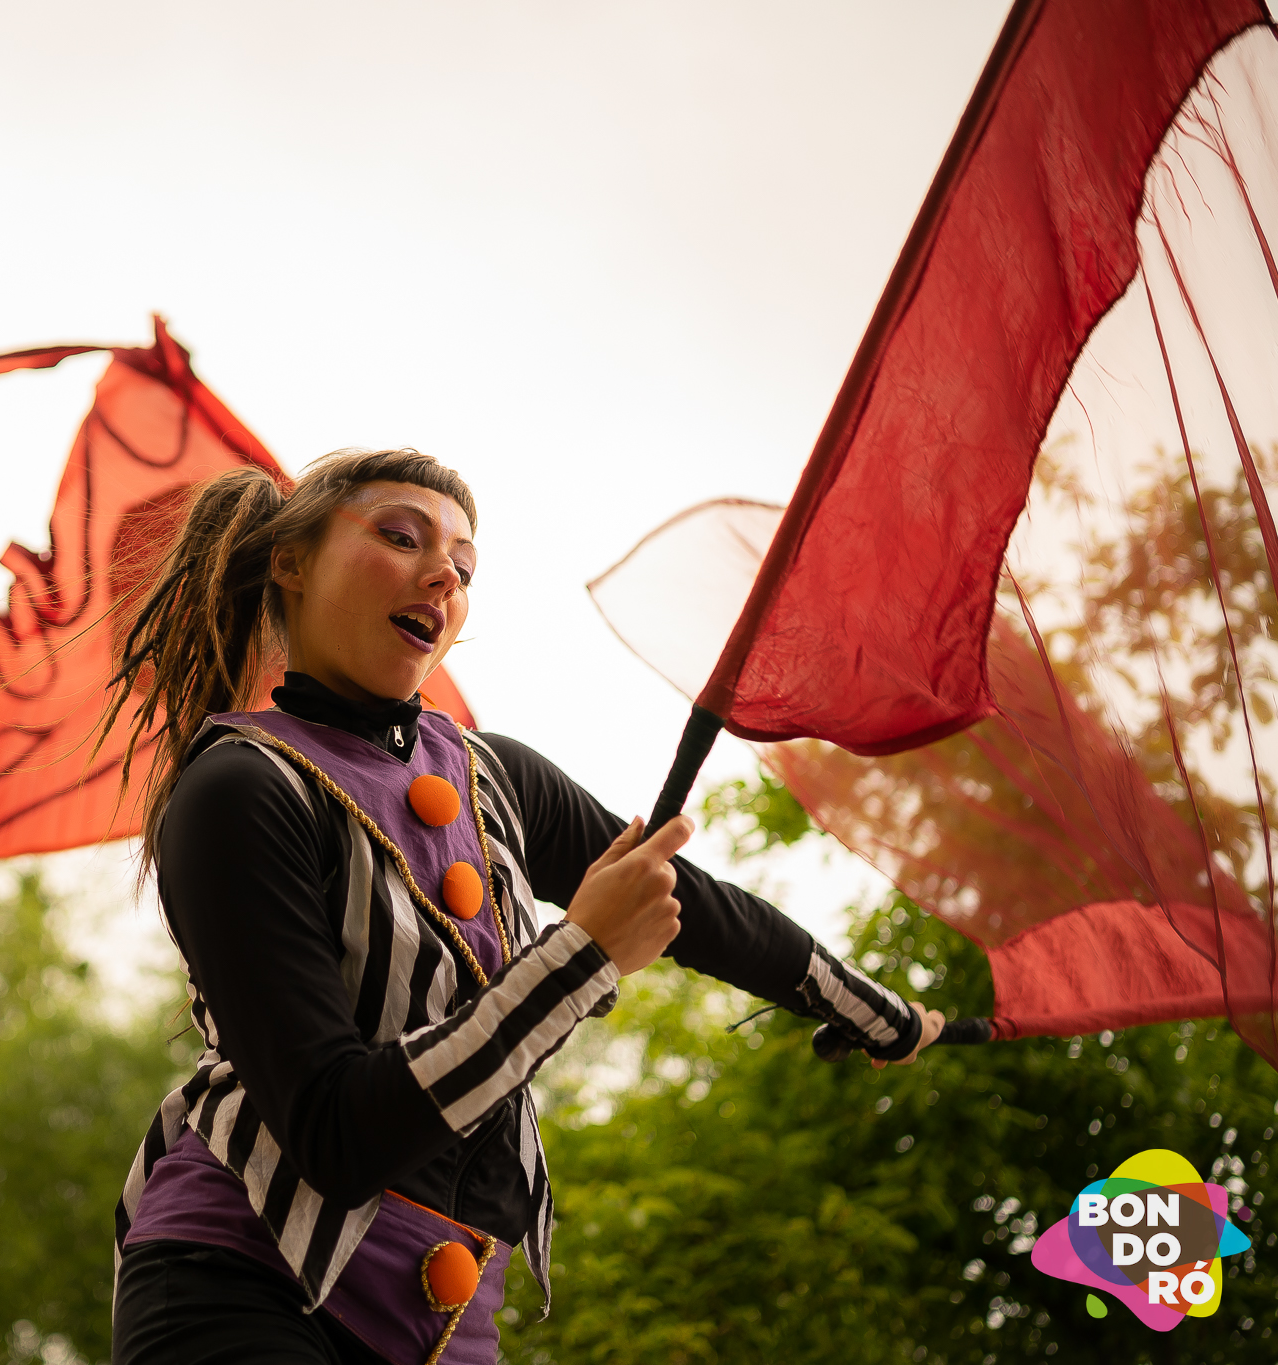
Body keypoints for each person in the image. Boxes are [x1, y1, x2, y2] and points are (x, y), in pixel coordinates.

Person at [101, 449, 944, 1365]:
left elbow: (693, 904)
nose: (442, 576)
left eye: (464, 567)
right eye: (400, 535)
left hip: (450, 1329)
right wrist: (581, 955)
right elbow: (335, 1136)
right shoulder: (236, 788)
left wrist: (871, 1009)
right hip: (245, 1290)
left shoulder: (492, 772)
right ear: (291, 562)